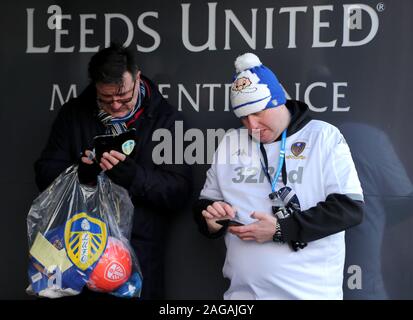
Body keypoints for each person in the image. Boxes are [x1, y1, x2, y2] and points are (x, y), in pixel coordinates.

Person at [193, 53, 364, 299]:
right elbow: (205, 204)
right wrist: (211, 219)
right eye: (243, 117)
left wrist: (281, 229)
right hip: (242, 296)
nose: (252, 126)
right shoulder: (231, 142)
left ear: (278, 100)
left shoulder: (323, 137)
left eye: (258, 113)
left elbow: (350, 208)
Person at [34, 43, 192, 299]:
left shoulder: (167, 120)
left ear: (137, 77)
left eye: (124, 97)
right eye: (106, 99)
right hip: (79, 254)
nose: (116, 106)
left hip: (138, 258)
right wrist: (81, 176)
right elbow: (44, 174)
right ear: (95, 86)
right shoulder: (74, 114)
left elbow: (178, 190)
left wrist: (133, 177)